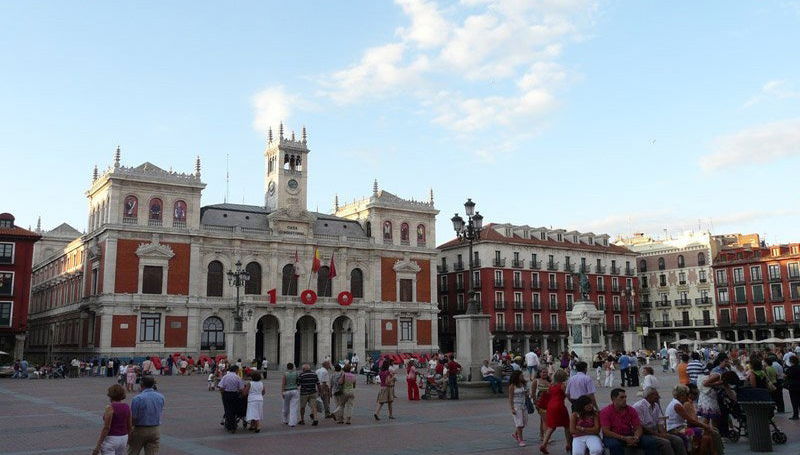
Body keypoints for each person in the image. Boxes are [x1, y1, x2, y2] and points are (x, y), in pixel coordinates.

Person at [600, 388, 661, 455]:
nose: (624, 399)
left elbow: (638, 427)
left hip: (629, 435)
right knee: (614, 445)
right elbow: (606, 431)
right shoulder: (605, 412)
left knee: (650, 442)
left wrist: (636, 437)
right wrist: (624, 438)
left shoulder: (631, 410)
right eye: (621, 397)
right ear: (613, 399)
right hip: (614, 437)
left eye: (625, 397)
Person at [632, 387, 687, 455]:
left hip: (655, 431)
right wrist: (658, 435)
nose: (658, 397)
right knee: (665, 443)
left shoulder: (656, 405)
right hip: (645, 433)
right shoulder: (639, 406)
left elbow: (660, 422)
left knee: (678, 440)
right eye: (656, 395)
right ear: (649, 395)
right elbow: (642, 427)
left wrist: (663, 434)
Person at [665, 385, 716, 455]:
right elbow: (690, 420)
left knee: (705, 436)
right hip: (674, 429)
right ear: (682, 395)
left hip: (679, 427)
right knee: (702, 433)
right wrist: (705, 426)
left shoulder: (677, 403)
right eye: (687, 394)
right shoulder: (677, 405)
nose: (688, 396)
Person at [128, 376, 164, 455]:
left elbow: (134, 417)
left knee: (133, 451)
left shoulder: (137, 398)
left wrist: (129, 430)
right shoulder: (161, 397)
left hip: (140, 429)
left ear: (141, 384)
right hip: (155, 429)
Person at [92, 385, 131, 455]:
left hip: (112, 438)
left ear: (110, 395)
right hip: (123, 437)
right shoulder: (126, 406)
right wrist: (129, 438)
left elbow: (106, 428)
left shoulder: (110, 408)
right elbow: (129, 425)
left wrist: (98, 446)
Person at [539, 370, 571, 454]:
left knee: (551, 427)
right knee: (567, 425)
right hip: (559, 405)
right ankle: (568, 444)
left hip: (550, 406)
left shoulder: (551, 386)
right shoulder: (562, 386)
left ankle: (544, 444)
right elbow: (568, 396)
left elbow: (548, 395)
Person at [219, 365, 244, 433]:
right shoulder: (237, 377)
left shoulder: (225, 377)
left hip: (226, 394)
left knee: (227, 410)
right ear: (236, 370)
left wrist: (223, 394)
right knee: (234, 410)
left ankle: (229, 426)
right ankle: (233, 426)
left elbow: (221, 387)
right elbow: (241, 389)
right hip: (235, 394)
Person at [508, 370, 529, 447]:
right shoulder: (512, 386)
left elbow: (526, 393)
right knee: (519, 423)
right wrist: (512, 408)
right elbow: (510, 398)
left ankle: (515, 433)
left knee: (524, 422)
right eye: (520, 375)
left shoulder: (523, 384)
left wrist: (527, 392)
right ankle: (521, 439)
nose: (522, 377)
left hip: (524, 405)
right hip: (517, 406)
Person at [532, 369, 552, 441]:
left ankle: (542, 435)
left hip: (549, 403)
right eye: (543, 372)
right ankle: (546, 437)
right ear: (539, 373)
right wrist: (535, 403)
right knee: (546, 420)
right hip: (540, 404)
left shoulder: (549, 381)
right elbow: (533, 393)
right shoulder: (536, 381)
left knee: (543, 420)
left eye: (546, 372)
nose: (545, 374)